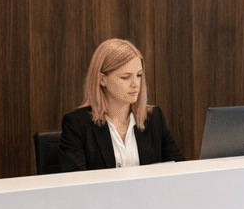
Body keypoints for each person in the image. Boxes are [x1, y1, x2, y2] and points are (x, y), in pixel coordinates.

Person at [59, 38, 184, 171]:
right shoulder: (77, 124)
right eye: (125, 77)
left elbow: (179, 169)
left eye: (139, 75)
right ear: (102, 79)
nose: (135, 84)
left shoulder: (154, 118)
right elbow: (76, 180)